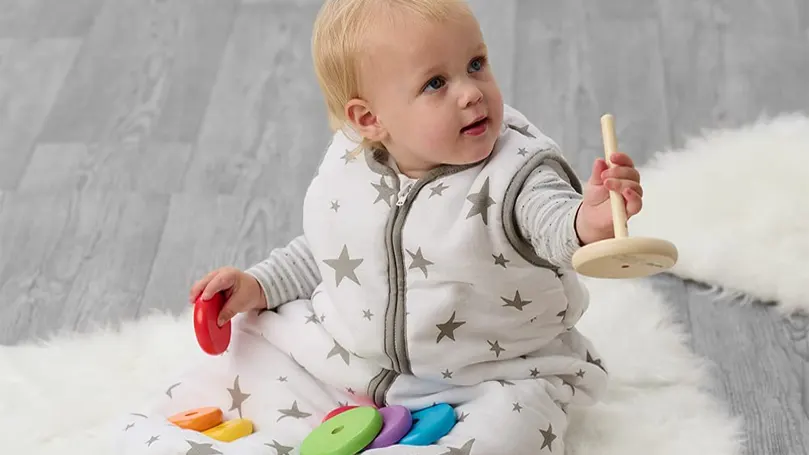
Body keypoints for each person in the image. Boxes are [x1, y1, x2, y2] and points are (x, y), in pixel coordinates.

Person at [129, 0, 645, 453]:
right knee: (252, 345)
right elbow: (331, 251)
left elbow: (553, 223)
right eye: (436, 83)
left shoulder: (515, 172)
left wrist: (591, 218)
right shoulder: (352, 165)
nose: (471, 93)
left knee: (519, 424)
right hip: (349, 358)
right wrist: (260, 284)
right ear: (370, 119)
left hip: (491, 373)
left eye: (476, 64)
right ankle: (189, 440)